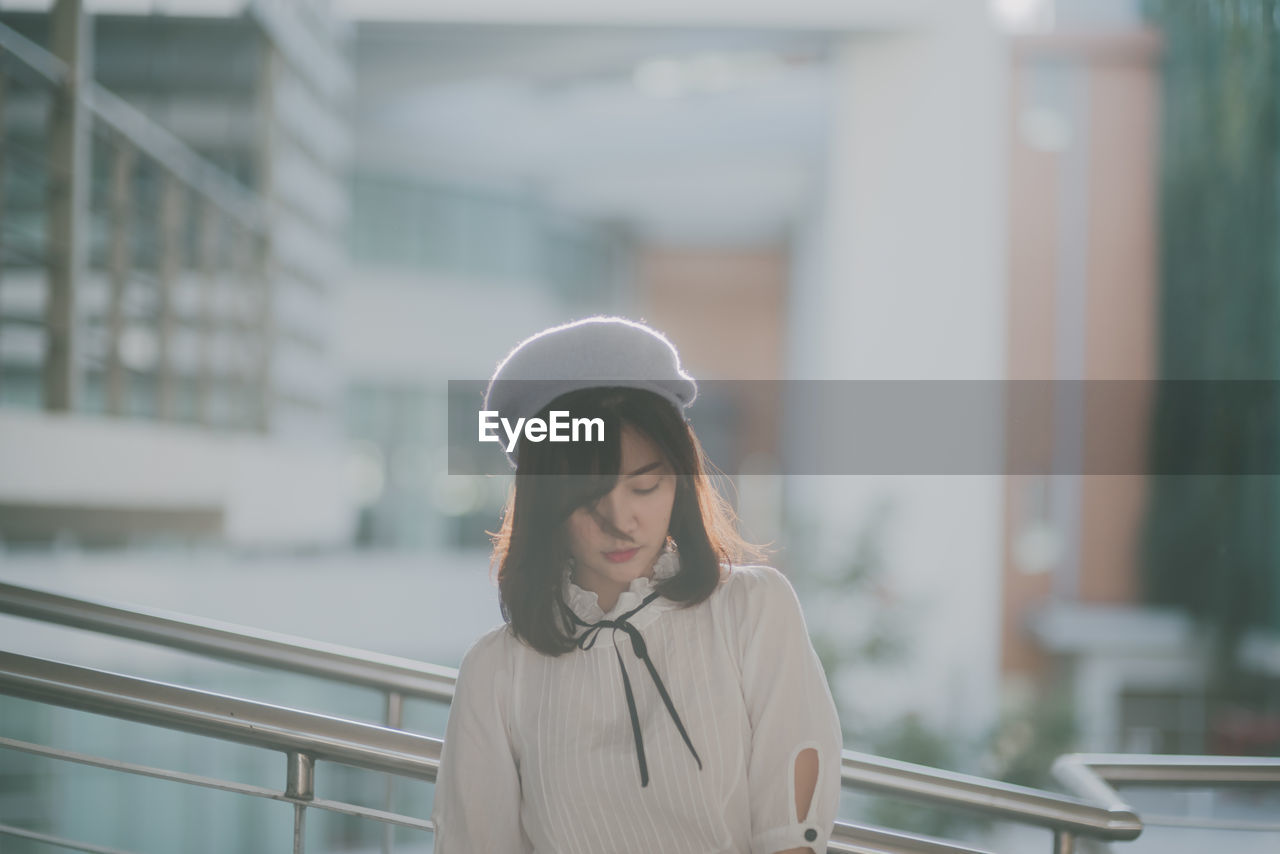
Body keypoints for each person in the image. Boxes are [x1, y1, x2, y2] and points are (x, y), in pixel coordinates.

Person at [431, 316, 844, 853]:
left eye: (645, 486)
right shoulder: (495, 672)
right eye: (587, 496)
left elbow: (792, 837)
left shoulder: (754, 611)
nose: (620, 520)